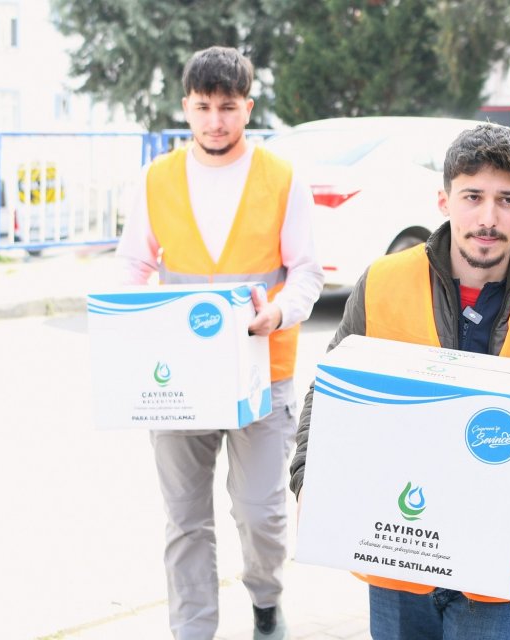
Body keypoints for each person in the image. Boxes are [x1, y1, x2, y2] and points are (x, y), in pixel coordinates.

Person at [289, 123, 510, 639]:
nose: (488, 218)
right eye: (472, 196)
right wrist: (310, 478)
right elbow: (329, 396)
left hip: (498, 562)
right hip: (396, 554)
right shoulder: (383, 282)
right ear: (444, 201)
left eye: (507, 200)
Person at [116, 46, 324, 640]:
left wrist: (279, 311)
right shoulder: (157, 178)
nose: (215, 121)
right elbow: (133, 266)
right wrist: (130, 330)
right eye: (203, 107)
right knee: (185, 521)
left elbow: (308, 270)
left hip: (262, 372)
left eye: (228, 107)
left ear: (247, 108)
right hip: (178, 379)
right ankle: (193, 630)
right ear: (186, 108)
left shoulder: (283, 179)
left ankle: (265, 598)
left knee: (260, 512)